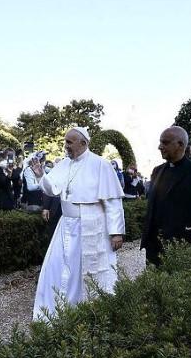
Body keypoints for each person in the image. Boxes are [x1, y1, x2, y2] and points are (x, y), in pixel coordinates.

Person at [29, 127, 125, 318]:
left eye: (70, 142)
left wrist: (116, 232)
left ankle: (88, 311)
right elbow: (51, 190)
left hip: (91, 224)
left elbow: (113, 202)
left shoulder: (100, 165)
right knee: (59, 266)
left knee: (87, 269)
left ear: (83, 143)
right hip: (66, 225)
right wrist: (41, 176)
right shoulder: (65, 164)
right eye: (65, 142)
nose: (66, 146)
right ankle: (59, 309)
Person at [141, 126, 191, 266]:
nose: (160, 147)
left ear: (180, 144)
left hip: (182, 245)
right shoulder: (157, 171)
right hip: (154, 246)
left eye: (165, 142)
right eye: (160, 142)